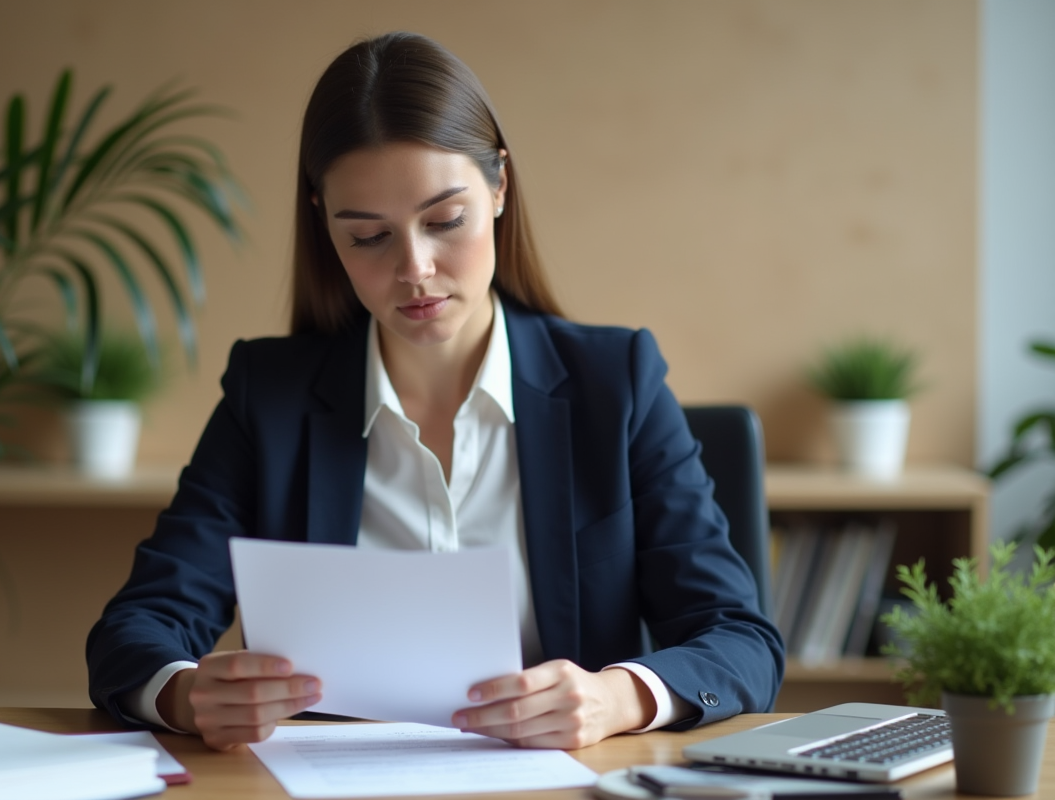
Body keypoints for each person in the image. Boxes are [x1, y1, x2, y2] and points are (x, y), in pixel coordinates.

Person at [86, 31, 784, 753]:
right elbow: (135, 631)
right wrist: (184, 693)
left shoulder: (619, 383)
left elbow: (741, 641)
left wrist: (616, 697)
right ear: (324, 223)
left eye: (445, 221)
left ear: (500, 188)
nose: (415, 269)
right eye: (368, 237)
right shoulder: (271, 398)